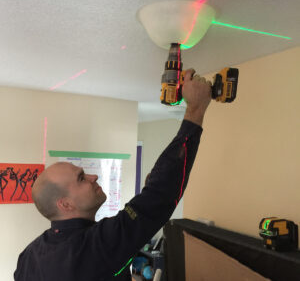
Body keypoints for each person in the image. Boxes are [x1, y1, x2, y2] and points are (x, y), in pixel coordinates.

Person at [14, 69, 212, 281]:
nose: (94, 177)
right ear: (65, 205)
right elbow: (159, 196)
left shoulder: (28, 257)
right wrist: (196, 109)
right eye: (81, 178)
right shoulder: (96, 246)